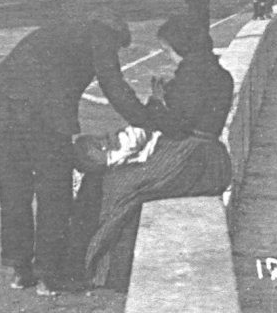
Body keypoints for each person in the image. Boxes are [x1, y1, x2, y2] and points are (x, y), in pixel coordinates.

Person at [0, 10, 154, 295]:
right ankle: (49, 274)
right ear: (115, 33)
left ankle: (21, 270)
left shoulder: (65, 29)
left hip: (2, 109)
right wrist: (145, 119)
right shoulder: (101, 36)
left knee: (15, 192)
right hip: (42, 114)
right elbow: (113, 85)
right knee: (54, 192)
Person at [69, 16, 233, 291]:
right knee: (123, 181)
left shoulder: (192, 75)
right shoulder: (217, 73)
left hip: (188, 159)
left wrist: (157, 100)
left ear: (182, 47)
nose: (168, 58)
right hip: (209, 159)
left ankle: (98, 268)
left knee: (112, 184)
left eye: (168, 51)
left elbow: (176, 126)